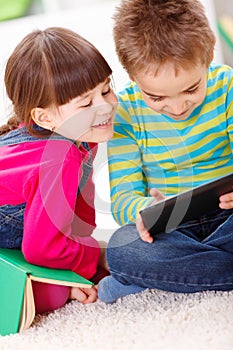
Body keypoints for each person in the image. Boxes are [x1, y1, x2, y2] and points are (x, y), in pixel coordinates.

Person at [98, 0, 233, 303]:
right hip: (173, 229)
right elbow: (122, 199)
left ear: (208, 55)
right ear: (131, 75)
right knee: (122, 248)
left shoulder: (227, 88)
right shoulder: (126, 113)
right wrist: (146, 208)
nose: (177, 107)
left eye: (190, 90)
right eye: (156, 97)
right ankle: (173, 273)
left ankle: (154, 281)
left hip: (228, 217)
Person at [0, 27, 117, 313]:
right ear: (44, 117)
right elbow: (42, 249)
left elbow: (77, 216)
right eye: (87, 103)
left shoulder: (79, 134)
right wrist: (94, 256)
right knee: (47, 295)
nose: (105, 106)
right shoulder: (59, 159)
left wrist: (86, 248)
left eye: (106, 89)